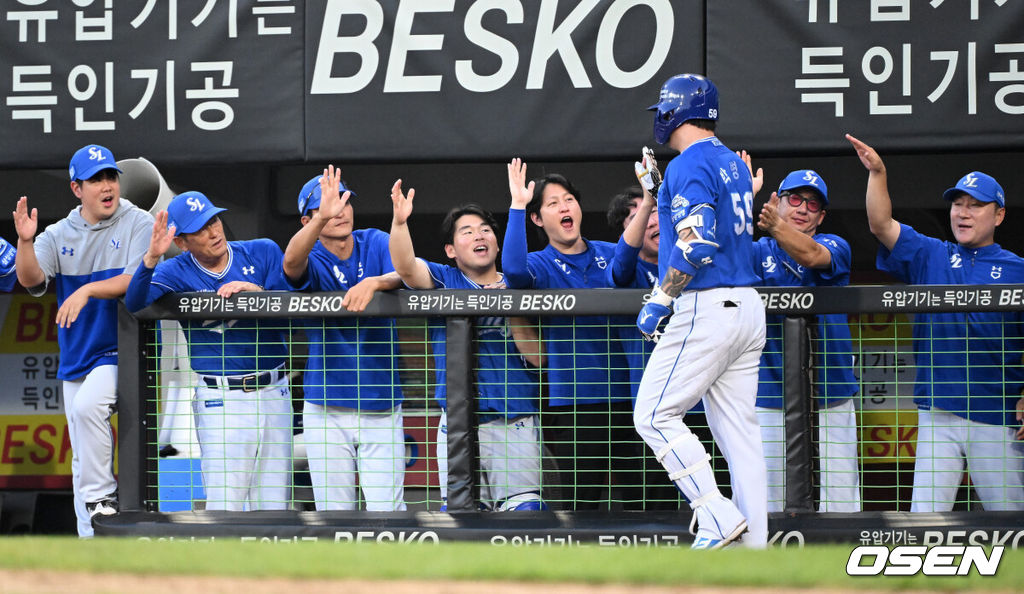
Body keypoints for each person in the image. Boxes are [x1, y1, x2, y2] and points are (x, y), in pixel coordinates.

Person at [848, 133, 1024, 512]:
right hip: (937, 412)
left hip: (996, 414)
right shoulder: (932, 254)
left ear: (999, 215)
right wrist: (878, 173)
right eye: (958, 204)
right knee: (925, 523)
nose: (963, 212)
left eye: (976, 205)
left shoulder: (1017, 268)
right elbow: (881, 224)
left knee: (1011, 519)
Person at [632, 74, 766, 549]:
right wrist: (660, 189)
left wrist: (660, 299)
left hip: (707, 305)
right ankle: (757, 555)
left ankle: (713, 512)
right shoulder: (729, 160)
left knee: (652, 415)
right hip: (747, 306)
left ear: (674, 112)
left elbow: (698, 244)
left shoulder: (691, 161)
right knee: (740, 437)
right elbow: (701, 220)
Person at [13, 144, 154, 537]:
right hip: (77, 356)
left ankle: (101, 499)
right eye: (96, 180)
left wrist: (88, 290)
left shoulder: (138, 221)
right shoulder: (59, 232)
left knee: (91, 405)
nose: (107, 186)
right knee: (81, 458)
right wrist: (25, 241)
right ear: (77, 189)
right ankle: (90, 541)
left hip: (121, 351)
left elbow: (135, 279)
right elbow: (30, 279)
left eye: (110, 177)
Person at [125, 191, 292, 511]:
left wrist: (256, 294)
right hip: (221, 397)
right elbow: (135, 303)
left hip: (275, 390)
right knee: (225, 503)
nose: (214, 231)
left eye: (214, 220)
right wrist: (150, 260)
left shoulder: (262, 252)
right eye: (200, 228)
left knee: (275, 504)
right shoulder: (175, 270)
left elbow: (291, 322)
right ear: (183, 242)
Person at [389, 181, 546, 510]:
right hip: (458, 423)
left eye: (486, 230)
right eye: (467, 231)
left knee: (525, 512)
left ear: (497, 243)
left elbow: (538, 357)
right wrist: (400, 223)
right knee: (460, 519)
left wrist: (511, 305)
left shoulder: (520, 283)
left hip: (513, 419)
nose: (479, 236)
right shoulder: (444, 278)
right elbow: (405, 267)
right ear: (451, 250)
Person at [502, 161, 644, 511]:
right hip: (576, 405)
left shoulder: (612, 253)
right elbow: (514, 271)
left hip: (634, 399)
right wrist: (519, 205)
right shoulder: (540, 263)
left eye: (569, 199)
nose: (564, 207)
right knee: (581, 507)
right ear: (538, 219)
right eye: (552, 204)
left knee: (646, 502)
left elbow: (633, 262)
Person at [282, 167, 406, 511]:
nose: (340, 211)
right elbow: (291, 263)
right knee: (334, 515)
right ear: (308, 220)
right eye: (327, 207)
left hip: (381, 402)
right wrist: (322, 217)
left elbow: (409, 270)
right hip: (326, 407)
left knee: (388, 514)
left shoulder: (374, 240)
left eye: (344, 202)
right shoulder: (313, 255)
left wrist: (375, 282)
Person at [749, 164, 861, 513]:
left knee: (841, 497)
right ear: (778, 202)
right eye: (794, 198)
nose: (801, 208)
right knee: (769, 498)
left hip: (830, 391)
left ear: (822, 216)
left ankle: (838, 564)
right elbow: (718, 249)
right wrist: (742, 200)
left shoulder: (835, 244)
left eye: (812, 204)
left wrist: (777, 227)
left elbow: (812, 256)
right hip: (770, 392)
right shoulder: (756, 250)